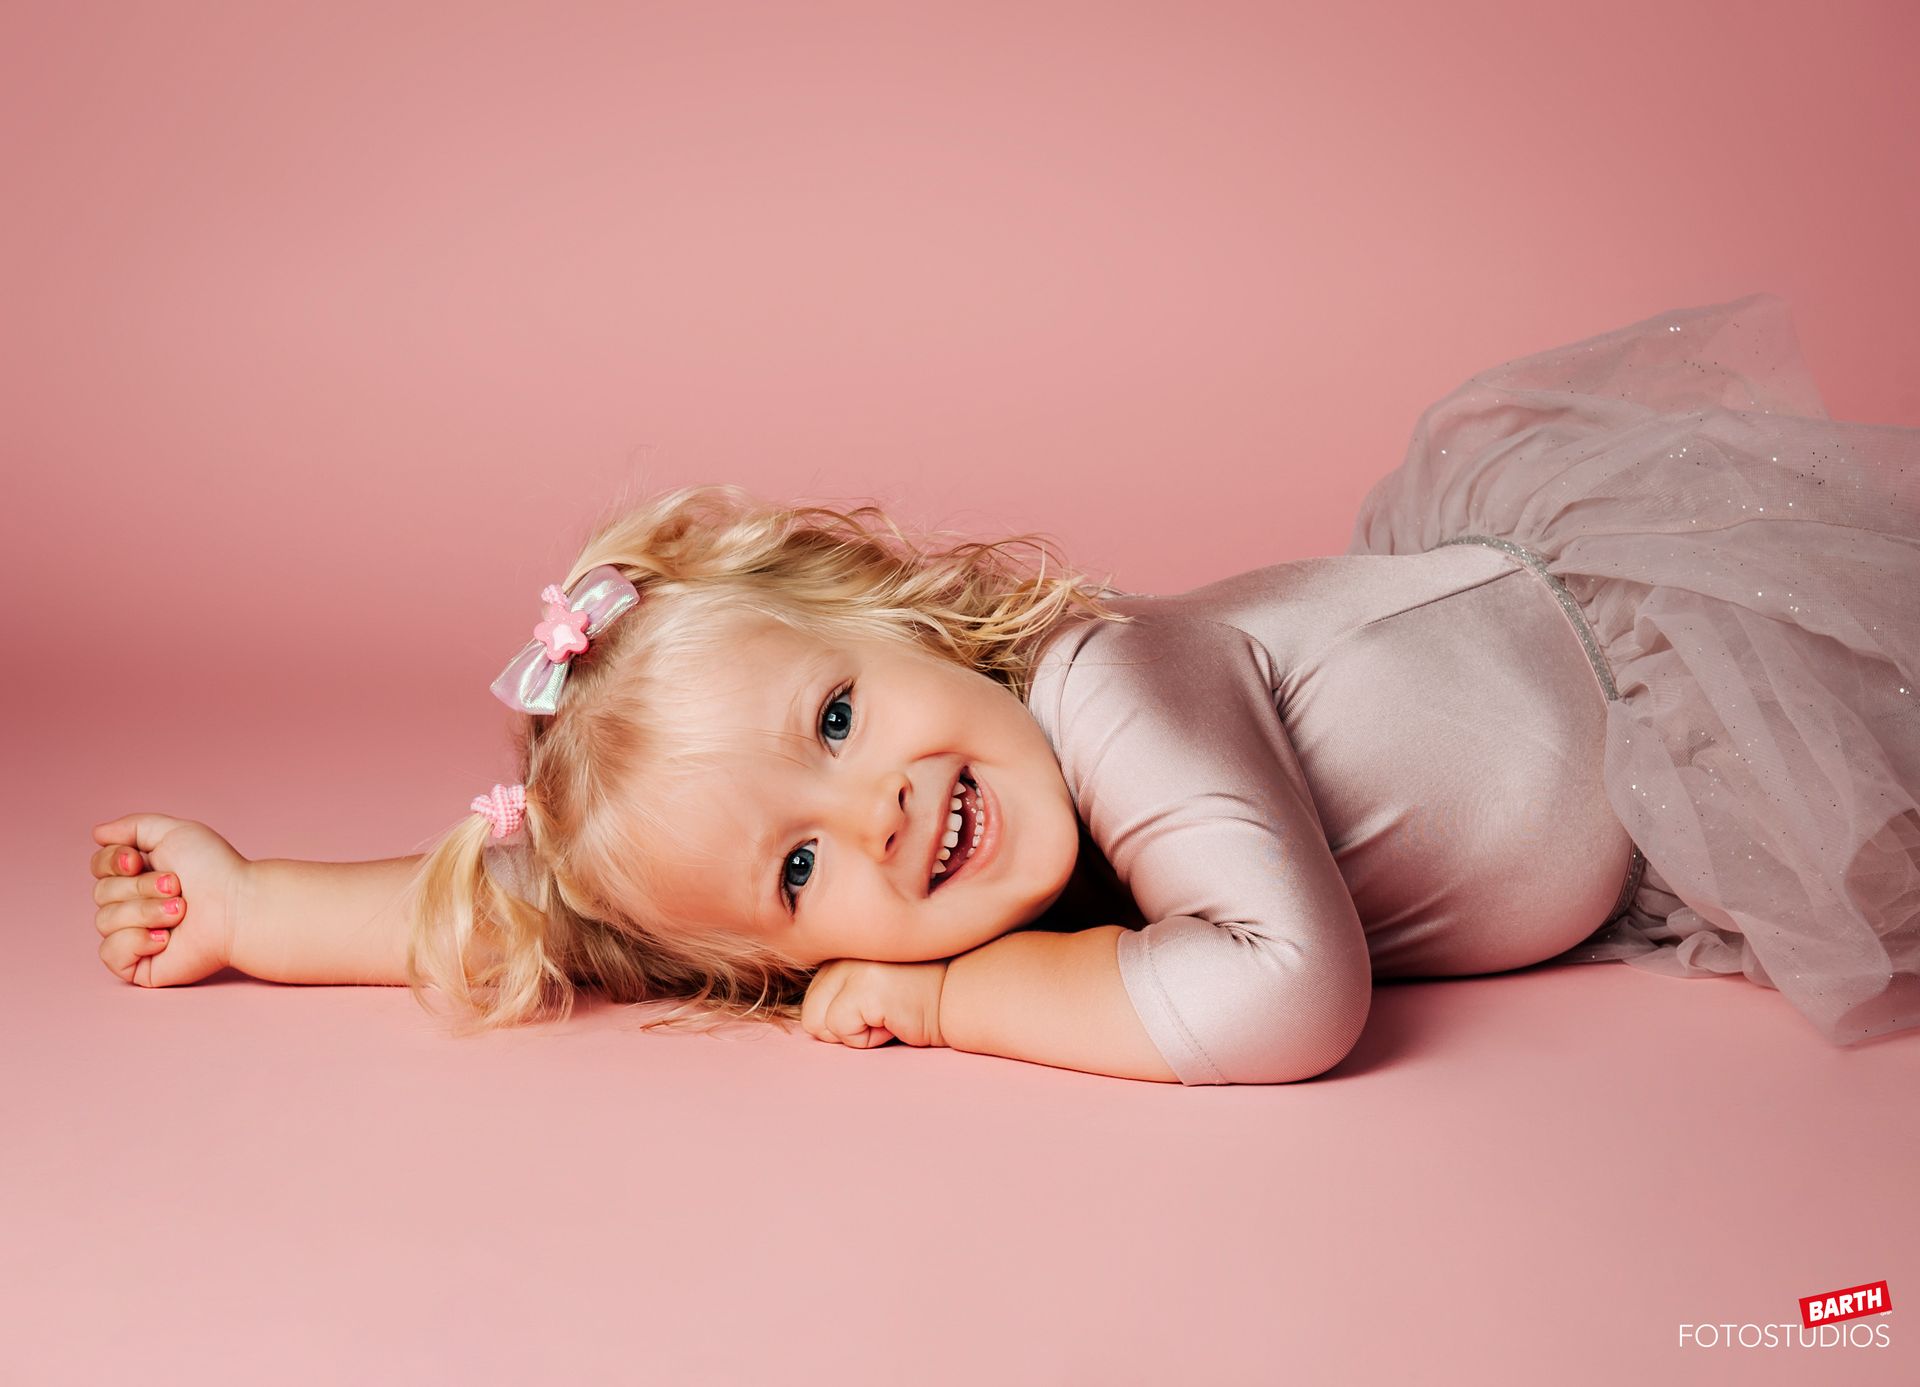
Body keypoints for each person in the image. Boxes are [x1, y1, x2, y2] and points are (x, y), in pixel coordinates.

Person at [88, 292, 1920, 1084]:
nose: (869, 814)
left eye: (834, 723)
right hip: (1612, 834)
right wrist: (255, 911)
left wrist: (948, 1003)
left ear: (897, 622)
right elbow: (573, 914)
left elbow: (1291, 1007)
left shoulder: (1117, 682)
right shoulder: (941, 844)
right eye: (797, 879)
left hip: (1676, 685)